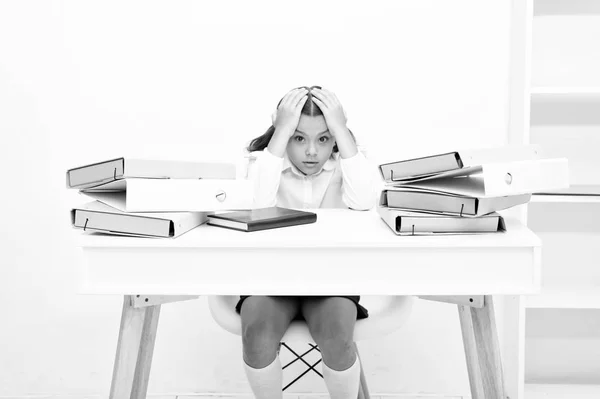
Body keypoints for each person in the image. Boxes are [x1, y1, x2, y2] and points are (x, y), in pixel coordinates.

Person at [238, 86, 378, 399]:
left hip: (330, 282)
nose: (312, 151)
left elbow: (366, 199)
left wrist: (341, 129)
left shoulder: (349, 166)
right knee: (256, 334)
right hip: (270, 281)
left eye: (324, 139)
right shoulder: (261, 165)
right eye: (299, 138)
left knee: (338, 338)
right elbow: (257, 206)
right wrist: (282, 130)